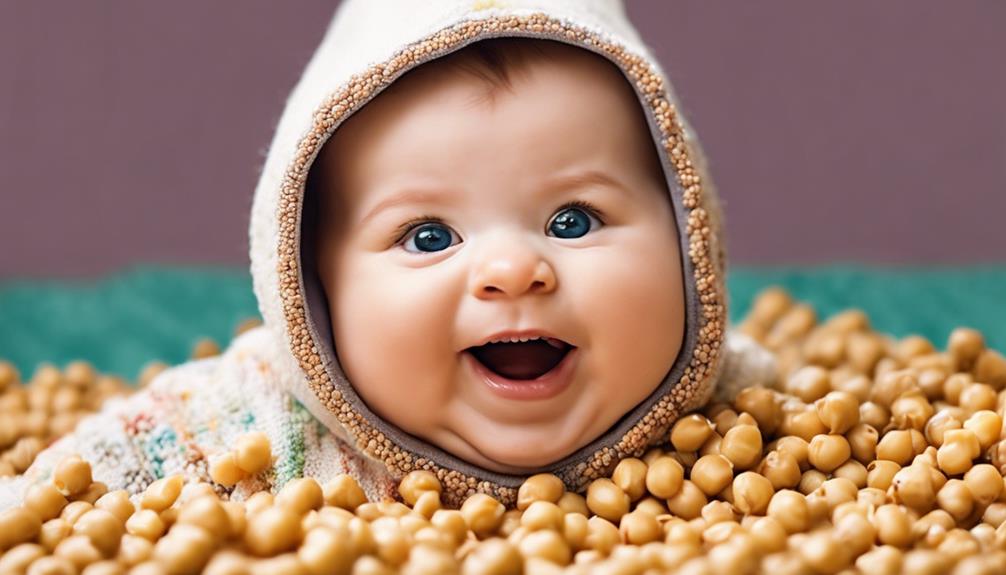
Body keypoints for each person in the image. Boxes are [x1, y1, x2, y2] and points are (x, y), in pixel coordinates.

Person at [0, 0, 774, 510]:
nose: (512, 269)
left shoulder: (738, 426)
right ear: (316, 297)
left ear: (690, 246)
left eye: (574, 219)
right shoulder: (245, 429)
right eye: (429, 236)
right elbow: (53, 505)